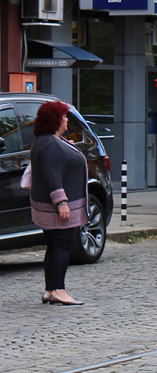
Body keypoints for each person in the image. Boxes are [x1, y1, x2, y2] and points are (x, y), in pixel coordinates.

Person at [29, 100, 87, 306]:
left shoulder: (46, 141)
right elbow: (52, 175)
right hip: (56, 207)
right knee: (62, 246)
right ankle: (59, 290)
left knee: (53, 247)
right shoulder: (50, 144)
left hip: (46, 205)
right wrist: (61, 202)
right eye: (63, 117)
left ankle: (49, 290)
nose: (66, 120)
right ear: (55, 120)